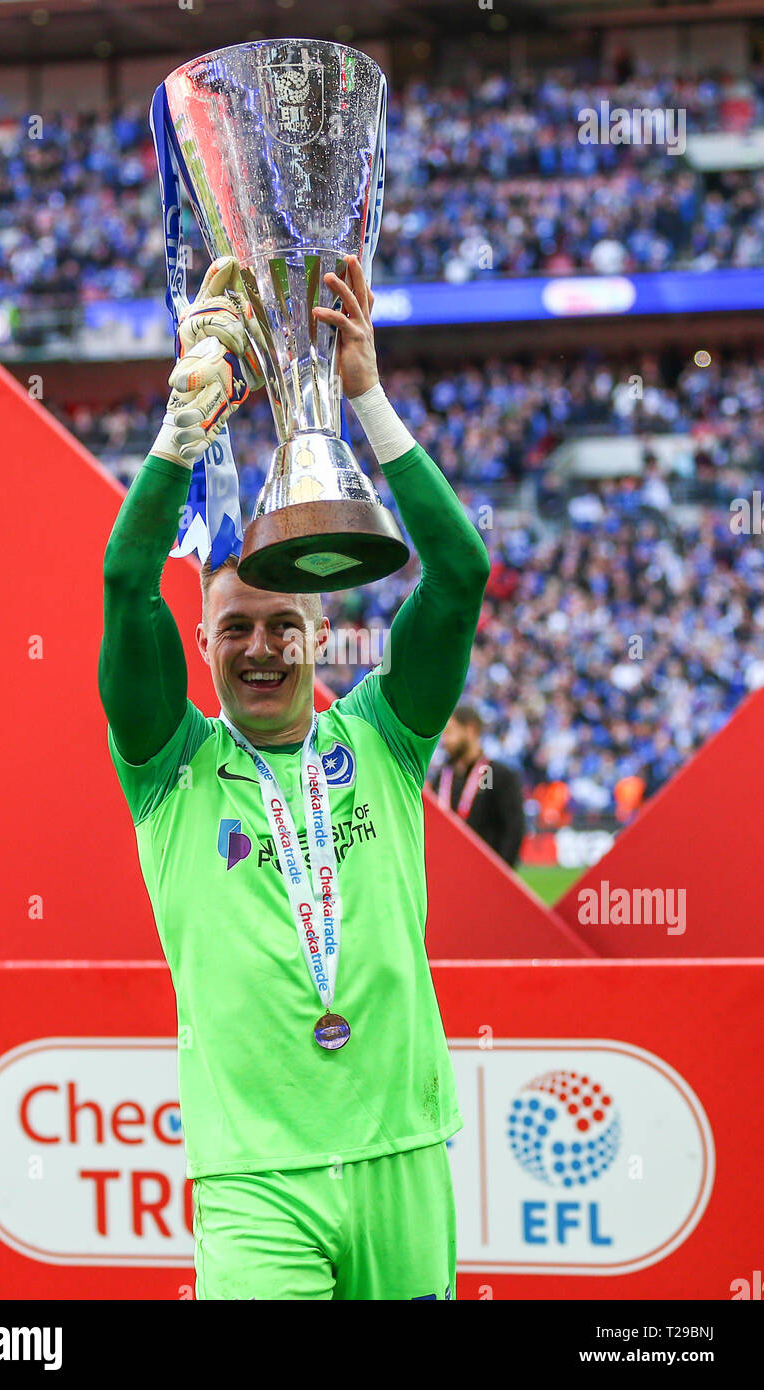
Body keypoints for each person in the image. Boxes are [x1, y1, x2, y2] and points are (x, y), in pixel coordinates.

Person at [99, 254, 490, 1300]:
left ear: (321, 633)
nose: (261, 647)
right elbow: (124, 585)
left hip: (401, 1154)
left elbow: (459, 577)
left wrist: (362, 394)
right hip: (254, 1179)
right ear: (202, 640)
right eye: (236, 628)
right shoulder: (170, 765)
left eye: (284, 624)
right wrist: (182, 427)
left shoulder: (382, 737)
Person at [434, 706, 525, 867]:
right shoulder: (441, 778)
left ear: (471, 729)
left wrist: (500, 876)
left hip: (485, 878)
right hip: (447, 875)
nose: (444, 740)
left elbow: (514, 830)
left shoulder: (499, 776)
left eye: (449, 732)